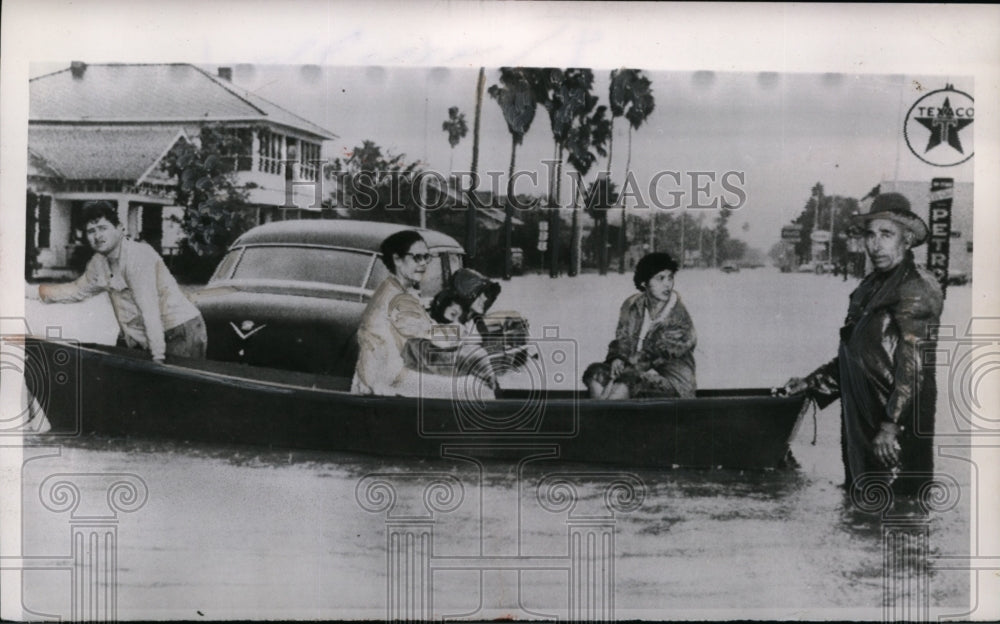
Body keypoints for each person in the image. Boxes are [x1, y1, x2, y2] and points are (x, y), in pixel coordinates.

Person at [783, 193, 943, 498]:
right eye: (871, 234)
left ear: (906, 239)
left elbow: (914, 365)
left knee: (898, 515)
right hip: (863, 423)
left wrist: (891, 425)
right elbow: (858, 355)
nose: (875, 244)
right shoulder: (869, 287)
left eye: (886, 234)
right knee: (861, 512)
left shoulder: (916, 286)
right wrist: (811, 384)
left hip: (894, 431)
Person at [25, 201, 205, 363]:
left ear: (119, 229)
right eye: (91, 231)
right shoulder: (98, 262)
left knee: (174, 394)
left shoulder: (137, 255)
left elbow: (149, 309)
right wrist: (31, 292)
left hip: (179, 329)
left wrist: (157, 358)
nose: (97, 236)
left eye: (103, 228)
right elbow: (75, 291)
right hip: (150, 333)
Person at [352, 230, 493, 397]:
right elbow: (432, 334)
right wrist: (464, 334)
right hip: (386, 380)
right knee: (478, 390)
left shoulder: (400, 290)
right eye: (417, 257)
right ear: (397, 259)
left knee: (471, 368)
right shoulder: (394, 297)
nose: (423, 264)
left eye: (426, 257)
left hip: (393, 372)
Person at [599, 252, 697, 399]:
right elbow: (623, 337)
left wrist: (626, 370)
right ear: (644, 283)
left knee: (628, 381)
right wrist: (618, 358)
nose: (667, 284)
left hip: (675, 385)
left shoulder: (678, 318)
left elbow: (652, 356)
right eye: (660, 278)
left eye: (670, 278)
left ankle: (602, 417)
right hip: (635, 372)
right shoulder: (633, 306)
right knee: (596, 375)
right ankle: (599, 413)